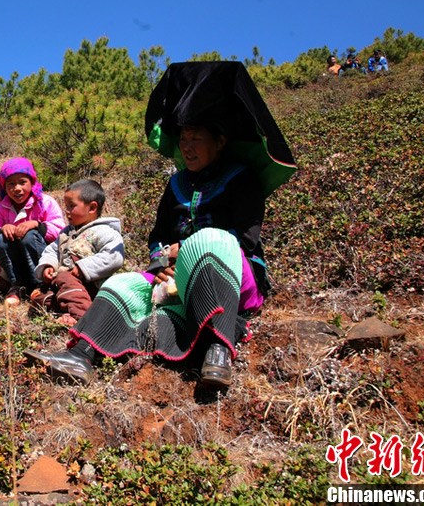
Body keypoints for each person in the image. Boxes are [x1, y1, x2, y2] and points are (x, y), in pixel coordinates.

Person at [24, 123, 269, 388]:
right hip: (177, 276)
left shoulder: (242, 177)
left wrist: (186, 248)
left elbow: (245, 237)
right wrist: (161, 262)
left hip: (229, 273)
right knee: (120, 283)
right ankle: (81, 355)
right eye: (183, 139)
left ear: (220, 141)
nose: (186, 146)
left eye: (196, 137)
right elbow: (158, 236)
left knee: (211, 238)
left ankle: (217, 349)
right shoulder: (177, 183)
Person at [31, 179, 125, 326]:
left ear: (92, 208)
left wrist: (84, 267)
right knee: (39, 298)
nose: (66, 211)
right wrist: (48, 265)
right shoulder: (66, 232)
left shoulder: (104, 232)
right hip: (66, 285)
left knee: (64, 278)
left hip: (91, 286)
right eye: (66, 206)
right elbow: (52, 250)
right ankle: (68, 310)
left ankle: (82, 317)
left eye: (71, 206)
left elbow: (114, 257)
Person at [0, 157, 65, 305]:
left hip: (42, 259)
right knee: (2, 239)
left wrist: (37, 225)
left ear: (32, 182)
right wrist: (1, 230)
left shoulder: (44, 202)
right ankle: (17, 286)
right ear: (4, 186)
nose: (17, 188)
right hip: (16, 263)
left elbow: (61, 230)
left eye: (22, 182)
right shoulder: (2, 208)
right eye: (11, 184)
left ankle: (40, 284)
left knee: (29, 236)